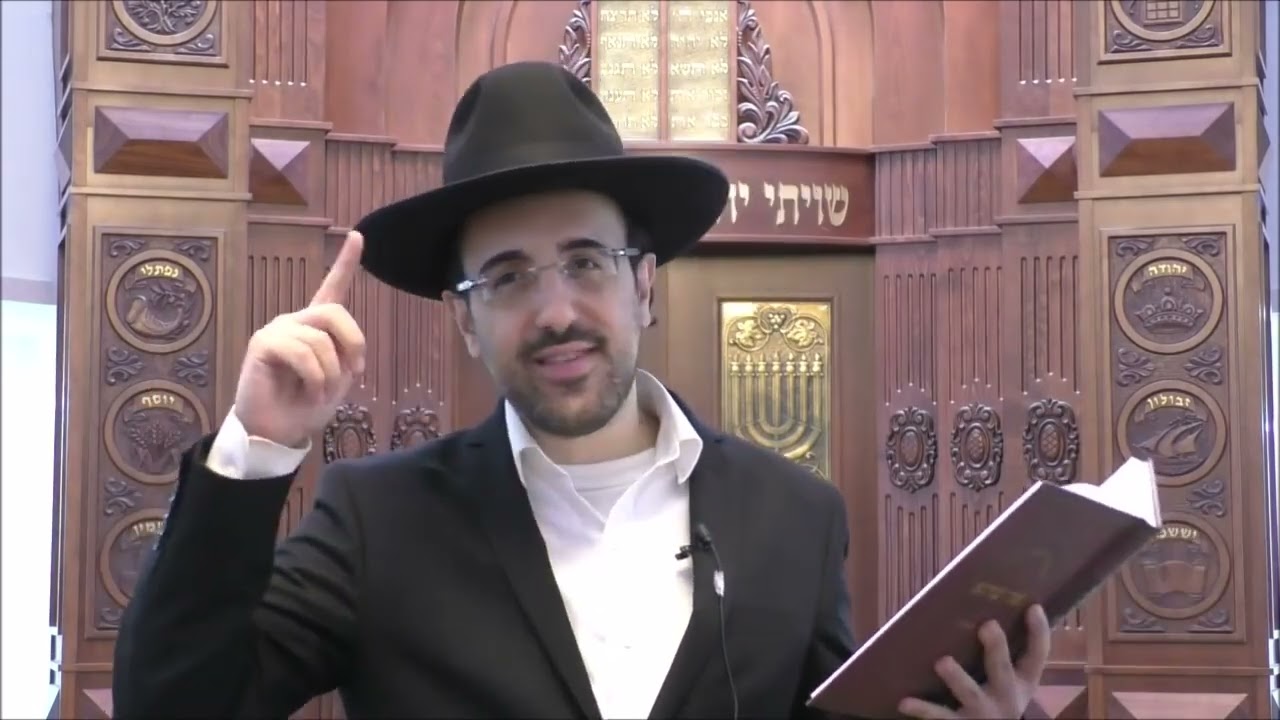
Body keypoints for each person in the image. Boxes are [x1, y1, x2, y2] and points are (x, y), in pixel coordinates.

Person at [112, 61, 1051, 719]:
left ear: (644, 283)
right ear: (464, 320)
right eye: (508, 277)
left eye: (586, 262)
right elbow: (172, 705)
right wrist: (256, 446)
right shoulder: (376, 520)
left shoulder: (794, 517)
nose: (556, 311)